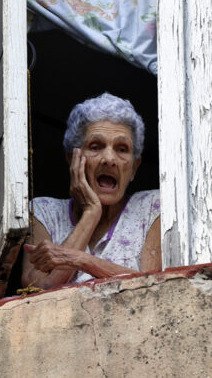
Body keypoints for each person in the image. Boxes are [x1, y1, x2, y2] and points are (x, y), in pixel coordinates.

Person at [21, 93, 161, 289]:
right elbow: (37, 287)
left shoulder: (151, 207)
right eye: (96, 147)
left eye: (122, 149)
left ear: (134, 168)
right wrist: (91, 212)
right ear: (73, 159)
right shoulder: (44, 211)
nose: (109, 159)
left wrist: (81, 260)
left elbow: (154, 286)